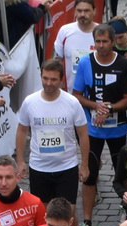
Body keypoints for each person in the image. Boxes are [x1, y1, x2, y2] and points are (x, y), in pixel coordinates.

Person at [75, 24, 127, 223]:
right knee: (90, 174)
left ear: (113, 42)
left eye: (105, 42)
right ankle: (87, 221)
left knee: (124, 173)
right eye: (98, 42)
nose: (101, 46)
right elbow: (76, 95)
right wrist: (96, 105)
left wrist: (108, 109)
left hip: (117, 129)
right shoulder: (86, 62)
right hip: (92, 130)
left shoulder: (123, 65)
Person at [19, 58, 93, 206]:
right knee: (42, 212)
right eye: (45, 78)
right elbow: (22, 130)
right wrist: (20, 160)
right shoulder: (29, 102)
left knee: (68, 211)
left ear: (61, 80)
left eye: (53, 79)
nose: (48, 83)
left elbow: (83, 134)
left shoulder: (72, 103)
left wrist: (84, 165)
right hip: (39, 167)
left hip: (66, 167)